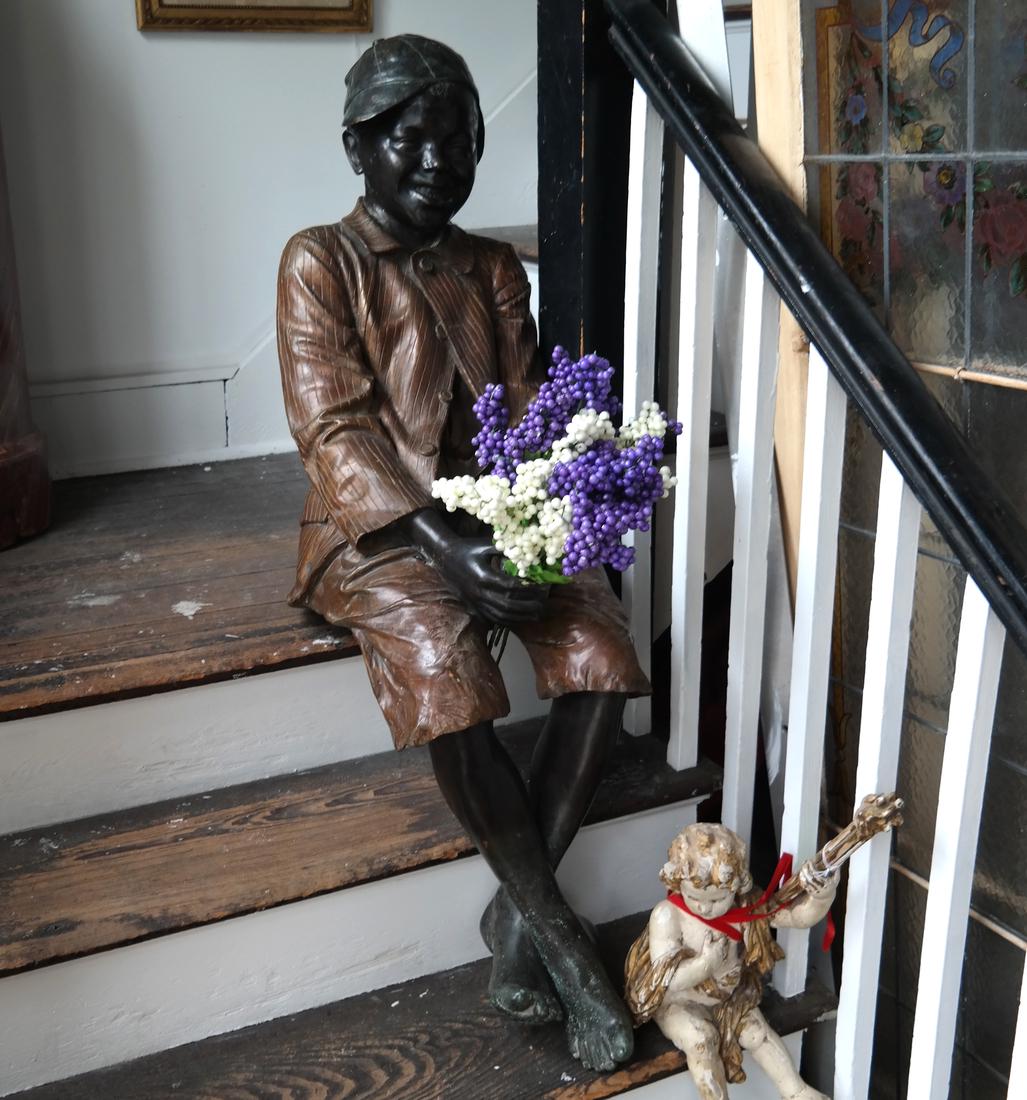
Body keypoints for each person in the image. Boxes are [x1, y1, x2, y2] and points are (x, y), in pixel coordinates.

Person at [276, 35, 651, 1072]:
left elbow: (526, 408)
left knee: (601, 652)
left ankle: (515, 916)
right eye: (413, 139)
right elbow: (333, 430)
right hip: (378, 529)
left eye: (460, 140)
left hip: (497, 515)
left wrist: (539, 518)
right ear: (359, 148)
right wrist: (444, 543)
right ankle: (563, 941)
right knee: (451, 679)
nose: (440, 161)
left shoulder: (490, 267)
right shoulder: (320, 260)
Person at [626, 823, 837, 1100]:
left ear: (736, 886)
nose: (704, 908)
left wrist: (823, 896)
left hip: (728, 997)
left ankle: (795, 1091)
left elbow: (796, 918)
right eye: (694, 898)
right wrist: (706, 963)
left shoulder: (744, 908)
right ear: (677, 883)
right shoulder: (668, 916)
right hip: (678, 1002)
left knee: (757, 1034)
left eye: (717, 900)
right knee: (701, 1040)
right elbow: (668, 980)